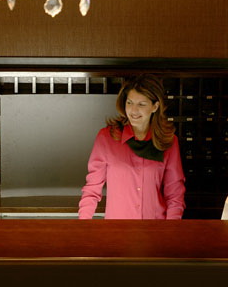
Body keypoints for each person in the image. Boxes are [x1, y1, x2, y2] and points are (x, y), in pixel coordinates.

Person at [78, 74, 186, 219]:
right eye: (129, 103)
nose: (133, 110)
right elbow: (92, 188)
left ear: (155, 106)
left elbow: (175, 194)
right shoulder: (107, 137)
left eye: (141, 104)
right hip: (118, 228)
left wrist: (171, 229)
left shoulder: (168, 141)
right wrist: (83, 223)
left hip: (155, 227)